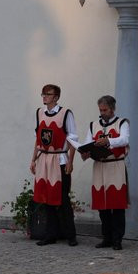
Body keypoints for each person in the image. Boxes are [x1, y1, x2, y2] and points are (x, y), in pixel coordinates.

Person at [30, 84, 79, 246]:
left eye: (48, 94)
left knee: (62, 199)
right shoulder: (40, 113)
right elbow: (38, 139)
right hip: (44, 160)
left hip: (60, 160)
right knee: (46, 198)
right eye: (43, 93)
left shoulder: (66, 114)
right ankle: (50, 234)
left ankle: (70, 235)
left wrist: (70, 161)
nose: (44, 96)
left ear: (56, 97)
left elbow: (73, 140)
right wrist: (33, 159)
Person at [80, 95, 129, 251]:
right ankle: (106, 238)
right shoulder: (93, 125)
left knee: (117, 205)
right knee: (103, 206)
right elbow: (88, 142)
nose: (102, 113)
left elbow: (124, 140)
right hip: (99, 166)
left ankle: (117, 239)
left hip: (115, 166)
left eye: (105, 110)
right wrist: (85, 152)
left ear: (113, 109)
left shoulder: (122, 123)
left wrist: (108, 141)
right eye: (100, 110)